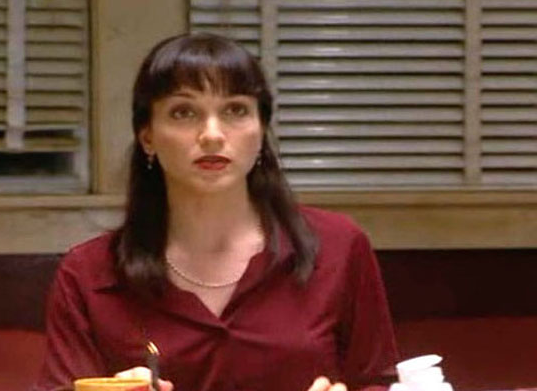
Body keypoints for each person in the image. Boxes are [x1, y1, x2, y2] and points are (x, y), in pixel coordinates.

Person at [33, 33, 398, 391]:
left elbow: (376, 382)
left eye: (235, 110)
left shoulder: (338, 246)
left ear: (261, 131)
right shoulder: (88, 274)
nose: (212, 134)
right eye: (184, 112)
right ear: (148, 137)